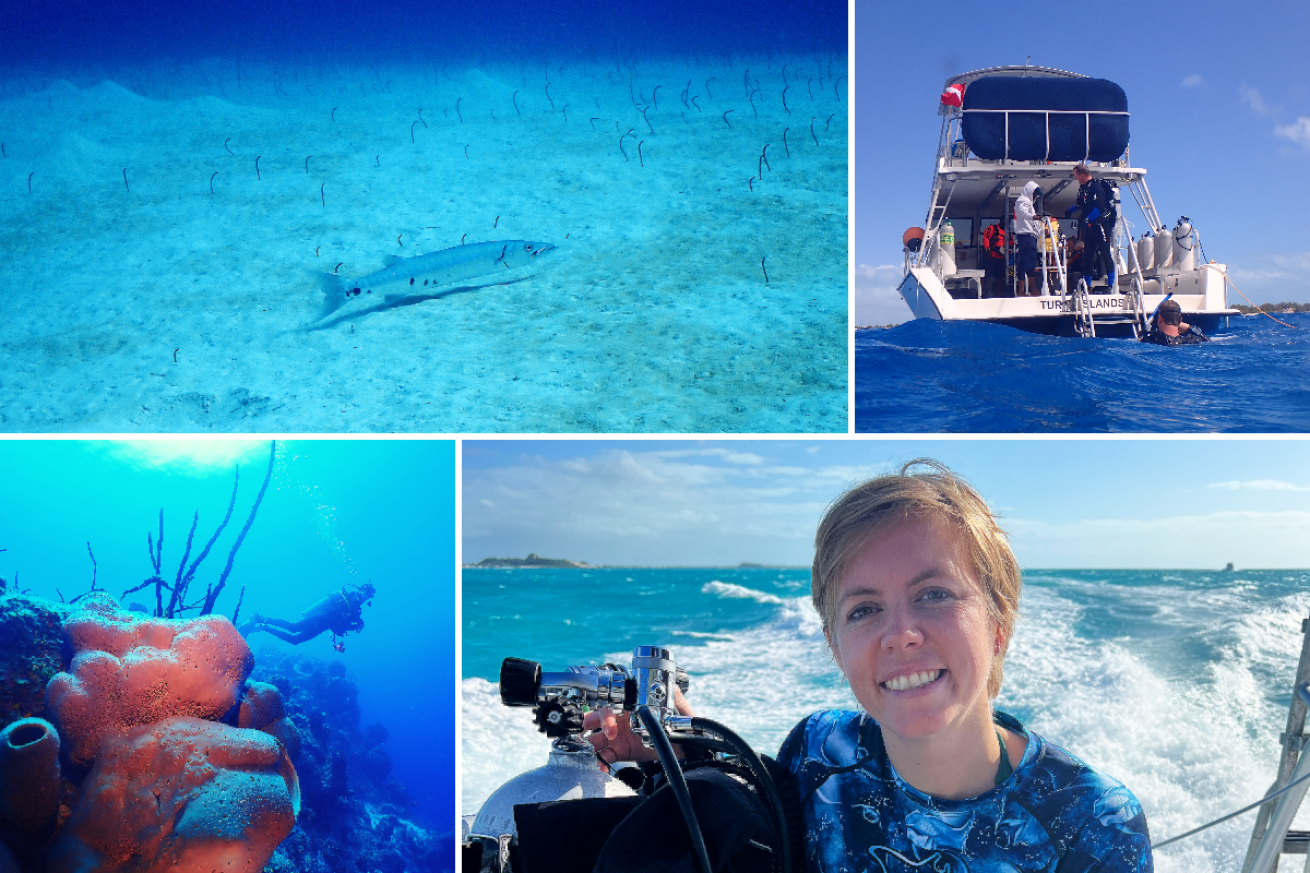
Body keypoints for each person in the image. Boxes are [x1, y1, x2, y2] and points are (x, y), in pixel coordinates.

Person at [587, 461, 1153, 872]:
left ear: (998, 622)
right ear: (835, 646)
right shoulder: (819, 750)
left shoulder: (1092, 822)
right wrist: (682, 748)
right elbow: (767, 833)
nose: (900, 635)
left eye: (934, 594)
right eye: (864, 610)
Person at [240, 582, 376, 650]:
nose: (366, 598)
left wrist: (357, 623)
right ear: (364, 591)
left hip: (323, 625)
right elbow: (343, 625)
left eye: (368, 596)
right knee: (293, 628)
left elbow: (340, 627)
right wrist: (357, 624)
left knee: (294, 640)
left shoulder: (356, 608)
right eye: (367, 594)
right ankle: (260, 619)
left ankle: (264, 626)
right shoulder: (354, 600)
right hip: (322, 617)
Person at [1068, 164, 1117, 291]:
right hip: (1089, 228)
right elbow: (1080, 203)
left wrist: (1088, 219)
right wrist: (1070, 210)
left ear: (1082, 175)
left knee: (1105, 253)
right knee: (1088, 255)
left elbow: (1100, 207)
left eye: (1076, 175)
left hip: (1099, 225)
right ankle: (1087, 285)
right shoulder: (1083, 188)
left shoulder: (1096, 187)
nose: (1076, 178)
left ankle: (1112, 284)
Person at [1013, 181, 1042, 297]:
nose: (1035, 196)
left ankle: (1022, 290)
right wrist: (1036, 217)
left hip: (1029, 235)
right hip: (1026, 236)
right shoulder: (1022, 201)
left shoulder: (1028, 203)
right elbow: (1022, 214)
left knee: (1024, 262)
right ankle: (1033, 289)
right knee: (1030, 261)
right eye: (1035, 193)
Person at [1141, 298, 1209, 346]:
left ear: (1160, 318)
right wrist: (1189, 327)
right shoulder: (1192, 340)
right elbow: (1208, 342)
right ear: (1180, 320)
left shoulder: (1151, 340)